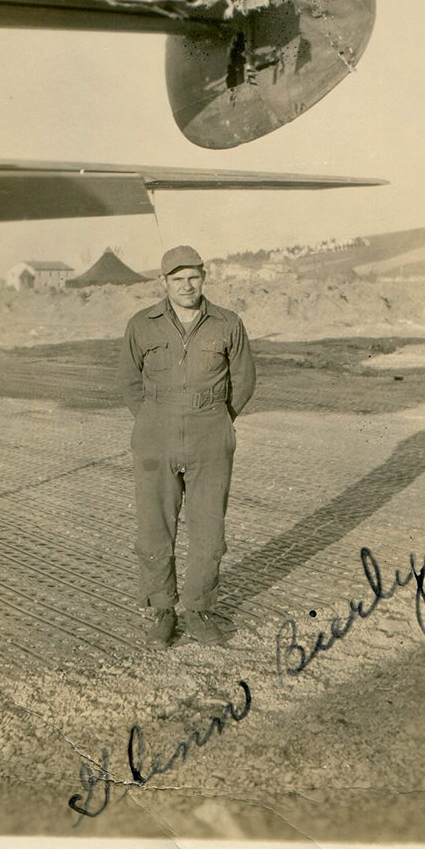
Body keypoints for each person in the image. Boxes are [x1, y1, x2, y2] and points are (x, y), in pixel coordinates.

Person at [118, 246, 256, 647]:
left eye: (193, 277)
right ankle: (162, 609)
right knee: (154, 527)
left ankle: (198, 609)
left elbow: (244, 379)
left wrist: (217, 418)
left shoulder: (228, 323)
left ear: (204, 277)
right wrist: (153, 417)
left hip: (210, 430)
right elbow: (129, 381)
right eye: (177, 279)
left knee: (209, 529)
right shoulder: (141, 324)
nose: (186, 286)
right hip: (156, 431)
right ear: (163, 282)